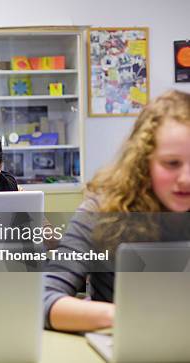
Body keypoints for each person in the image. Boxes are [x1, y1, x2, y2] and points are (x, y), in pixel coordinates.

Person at [44, 90, 190, 332]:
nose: (186, 179)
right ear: (144, 162)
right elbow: (44, 297)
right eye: (171, 164)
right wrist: (129, 315)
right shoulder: (102, 210)